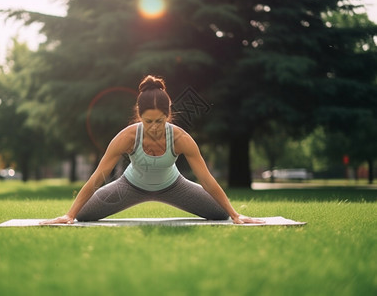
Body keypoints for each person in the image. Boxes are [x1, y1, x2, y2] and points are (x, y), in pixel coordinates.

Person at [41, 75, 263, 225]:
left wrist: (235, 214)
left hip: (174, 186)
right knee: (83, 215)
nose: (155, 127)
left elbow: (206, 179)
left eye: (160, 121)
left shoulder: (180, 138)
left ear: (169, 115)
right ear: (139, 114)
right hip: (129, 186)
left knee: (219, 213)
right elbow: (98, 177)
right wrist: (69, 214)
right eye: (148, 121)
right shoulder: (127, 137)